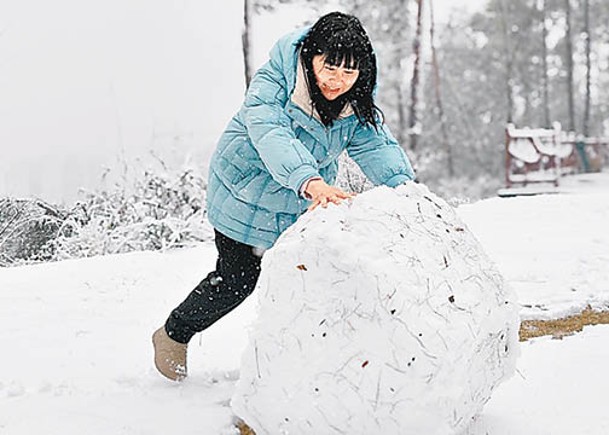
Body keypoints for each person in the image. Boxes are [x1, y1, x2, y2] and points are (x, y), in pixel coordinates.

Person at [152, 11, 415, 381]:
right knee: (238, 278)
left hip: (303, 196)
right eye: (329, 68)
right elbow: (272, 134)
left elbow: (375, 145)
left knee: (315, 275)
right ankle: (173, 334)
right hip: (244, 190)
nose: (336, 81)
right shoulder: (276, 81)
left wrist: (405, 190)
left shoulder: (354, 98)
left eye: (348, 72)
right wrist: (309, 180)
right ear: (311, 56)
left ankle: (309, 363)